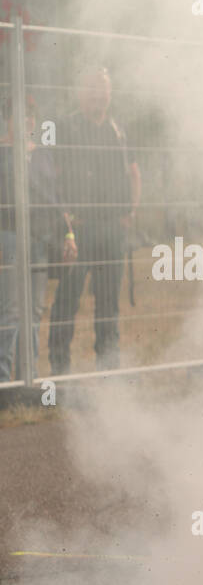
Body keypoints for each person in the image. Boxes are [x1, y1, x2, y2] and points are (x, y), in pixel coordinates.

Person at [47, 66, 139, 374]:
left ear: (110, 94)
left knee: (109, 303)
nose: (99, 95)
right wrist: (64, 224)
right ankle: (60, 371)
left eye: (104, 89)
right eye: (93, 88)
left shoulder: (118, 130)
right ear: (81, 93)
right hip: (79, 228)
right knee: (67, 300)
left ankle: (108, 371)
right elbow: (51, 177)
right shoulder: (66, 127)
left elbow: (134, 172)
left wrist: (131, 212)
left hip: (112, 230)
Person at [0, 92, 73, 382]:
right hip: (10, 240)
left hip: (40, 241)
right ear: (8, 119)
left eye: (31, 115)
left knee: (34, 312)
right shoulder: (3, 151)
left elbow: (56, 197)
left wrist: (68, 232)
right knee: (11, 311)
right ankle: (4, 383)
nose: (28, 120)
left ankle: (28, 378)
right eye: (21, 115)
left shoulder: (42, 153)